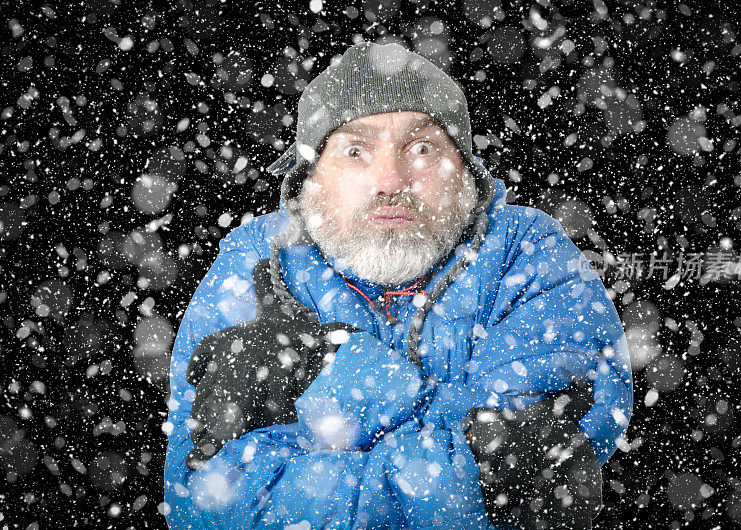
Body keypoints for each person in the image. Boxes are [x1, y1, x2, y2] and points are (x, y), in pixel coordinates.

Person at [163, 42, 633, 529]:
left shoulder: (527, 250)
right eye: (355, 150)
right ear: (310, 177)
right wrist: (457, 464)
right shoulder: (257, 258)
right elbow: (203, 505)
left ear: (466, 171)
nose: (390, 179)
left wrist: (331, 372)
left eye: (422, 148)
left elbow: (549, 477)